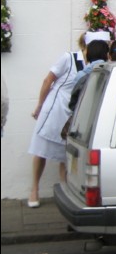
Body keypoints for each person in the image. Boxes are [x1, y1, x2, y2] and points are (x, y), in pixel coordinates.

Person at [27, 33, 87, 207]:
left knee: (65, 154)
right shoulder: (68, 58)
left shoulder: (92, 63)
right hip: (53, 109)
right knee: (41, 150)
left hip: (71, 113)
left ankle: (65, 191)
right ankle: (34, 189)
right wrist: (39, 105)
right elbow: (48, 80)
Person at [68, 39, 110, 113]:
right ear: (107, 54)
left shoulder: (80, 75)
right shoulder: (110, 72)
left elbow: (73, 100)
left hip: (83, 116)